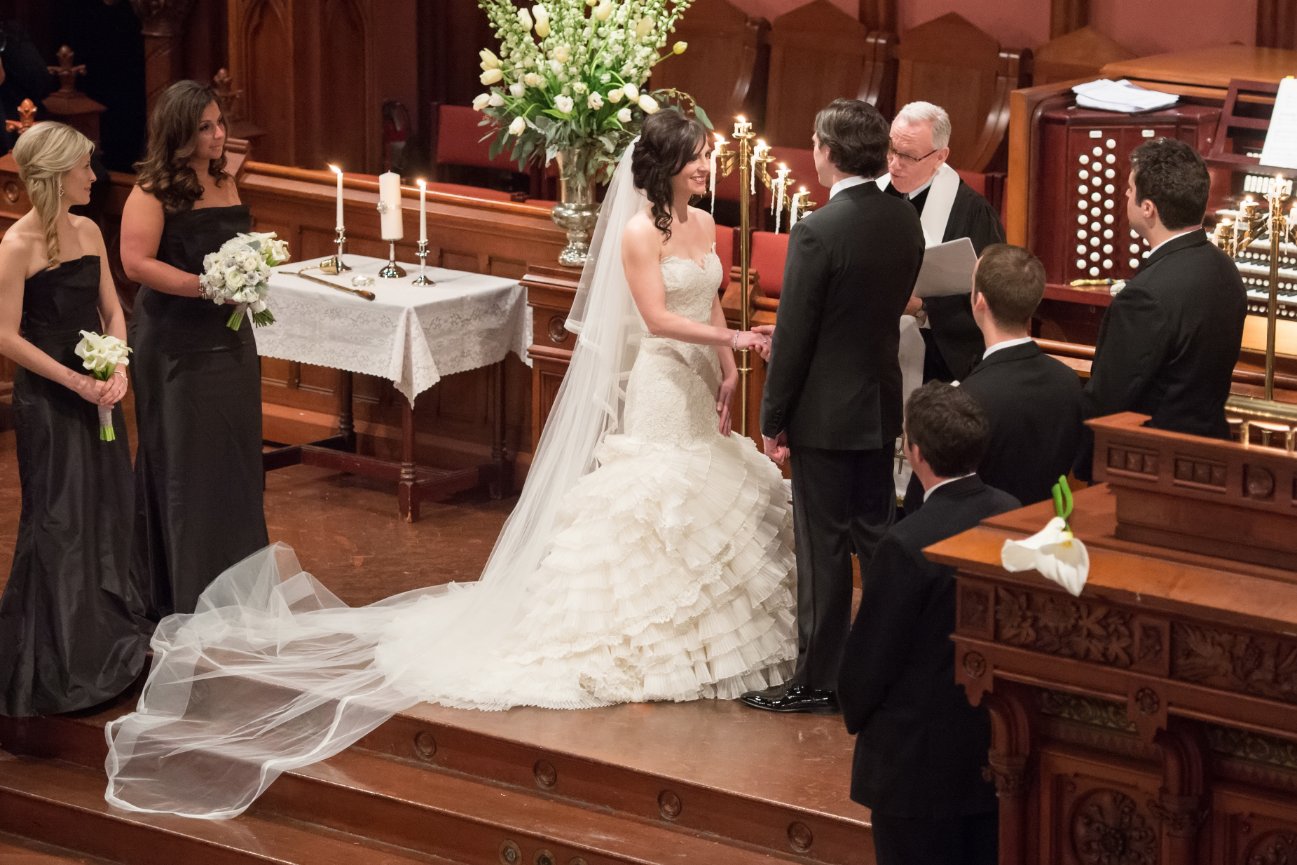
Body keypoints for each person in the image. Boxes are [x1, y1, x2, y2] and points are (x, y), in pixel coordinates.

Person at [104, 109, 796, 818]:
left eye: (708, 158)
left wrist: (726, 365)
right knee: (652, 500)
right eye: (696, 157)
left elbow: (710, 291)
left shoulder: (706, 223)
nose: (706, 168)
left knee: (708, 492)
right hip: (658, 381)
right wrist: (735, 338)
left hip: (699, 379)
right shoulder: (635, 232)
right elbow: (653, 317)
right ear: (665, 161)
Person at [740, 98, 924, 715]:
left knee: (821, 553)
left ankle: (818, 680)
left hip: (823, 414)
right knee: (875, 542)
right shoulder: (904, 219)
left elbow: (794, 336)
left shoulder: (819, 231)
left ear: (827, 151)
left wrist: (772, 418)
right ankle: (888, 666)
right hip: (876, 408)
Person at [0, 122, 149, 716]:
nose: (95, 176)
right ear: (58, 174)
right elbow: (5, 337)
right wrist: (75, 382)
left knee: (104, 507)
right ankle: (58, 659)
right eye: (85, 167)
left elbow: (112, 310)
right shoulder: (17, 247)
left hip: (98, 394)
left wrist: (117, 369)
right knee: (59, 518)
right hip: (50, 399)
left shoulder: (88, 229)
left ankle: (103, 638)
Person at [839, 381, 1018, 865]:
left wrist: (852, 710)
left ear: (915, 452)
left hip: (914, 768)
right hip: (993, 751)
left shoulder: (906, 543)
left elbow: (870, 659)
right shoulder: (1016, 516)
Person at [120, 80, 269, 618]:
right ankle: (181, 595)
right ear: (179, 131)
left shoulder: (226, 179)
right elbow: (136, 264)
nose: (218, 135)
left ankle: (238, 591)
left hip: (228, 335)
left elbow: (234, 245)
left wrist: (254, 267)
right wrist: (204, 286)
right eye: (204, 126)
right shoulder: (152, 189)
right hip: (175, 342)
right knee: (184, 461)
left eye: (219, 124)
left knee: (233, 458)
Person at [1076, 137, 1246, 480]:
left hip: (1153, 467)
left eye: (1129, 189)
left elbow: (1110, 399)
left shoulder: (1146, 297)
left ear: (1148, 208)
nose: (1125, 195)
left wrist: (1080, 467)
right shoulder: (1225, 268)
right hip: (1211, 456)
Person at [907, 244, 1082, 513]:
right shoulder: (1069, 381)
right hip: (1044, 531)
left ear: (979, 302)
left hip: (978, 539)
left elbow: (923, 504)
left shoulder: (966, 401)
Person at [878, 101, 1005, 385]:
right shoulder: (871, 196)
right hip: (872, 352)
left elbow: (993, 295)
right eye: (891, 149)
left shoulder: (973, 213)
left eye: (908, 156)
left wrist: (924, 308)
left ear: (940, 156)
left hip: (937, 362)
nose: (894, 164)